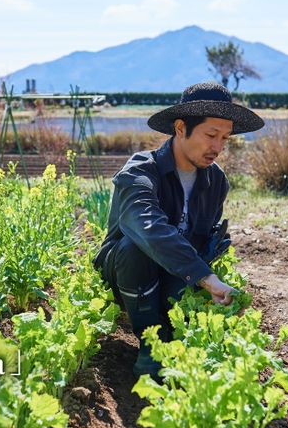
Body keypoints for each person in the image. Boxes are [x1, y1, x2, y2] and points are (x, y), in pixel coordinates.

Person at [94, 82, 264, 378]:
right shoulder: (140, 171)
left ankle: (171, 329)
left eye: (225, 138)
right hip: (127, 277)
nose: (218, 147)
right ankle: (150, 342)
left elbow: (203, 245)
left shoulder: (216, 181)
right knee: (137, 247)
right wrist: (209, 280)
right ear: (181, 127)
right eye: (211, 135)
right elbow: (148, 227)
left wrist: (217, 294)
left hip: (179, 277)